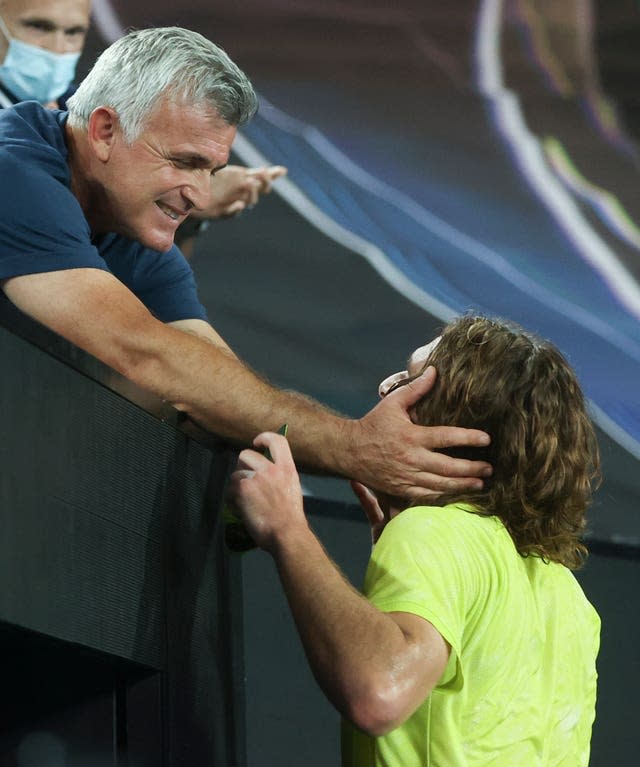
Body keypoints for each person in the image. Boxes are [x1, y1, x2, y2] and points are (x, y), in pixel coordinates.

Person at [0, 26, 492, 498]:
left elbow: (209, 374)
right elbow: (146, 355)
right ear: (106, 130)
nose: (200, 193)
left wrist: (270, 457)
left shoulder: (129, 223)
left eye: (212, 170)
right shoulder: (13, 174)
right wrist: (354, 446)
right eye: (185, 161)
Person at [229, 314, 601, 766]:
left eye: (410, 382)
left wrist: (288, 529)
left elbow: (379, 693)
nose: (385, 392)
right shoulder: (572, 601)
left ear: (449, 424)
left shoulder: (433, 532)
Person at [0, 0, 287, 247]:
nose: (57, 48)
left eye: (73, 32)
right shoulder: (92, 122)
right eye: (39, 26)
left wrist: (182, 199)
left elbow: (143, 277)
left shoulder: (91, 107)